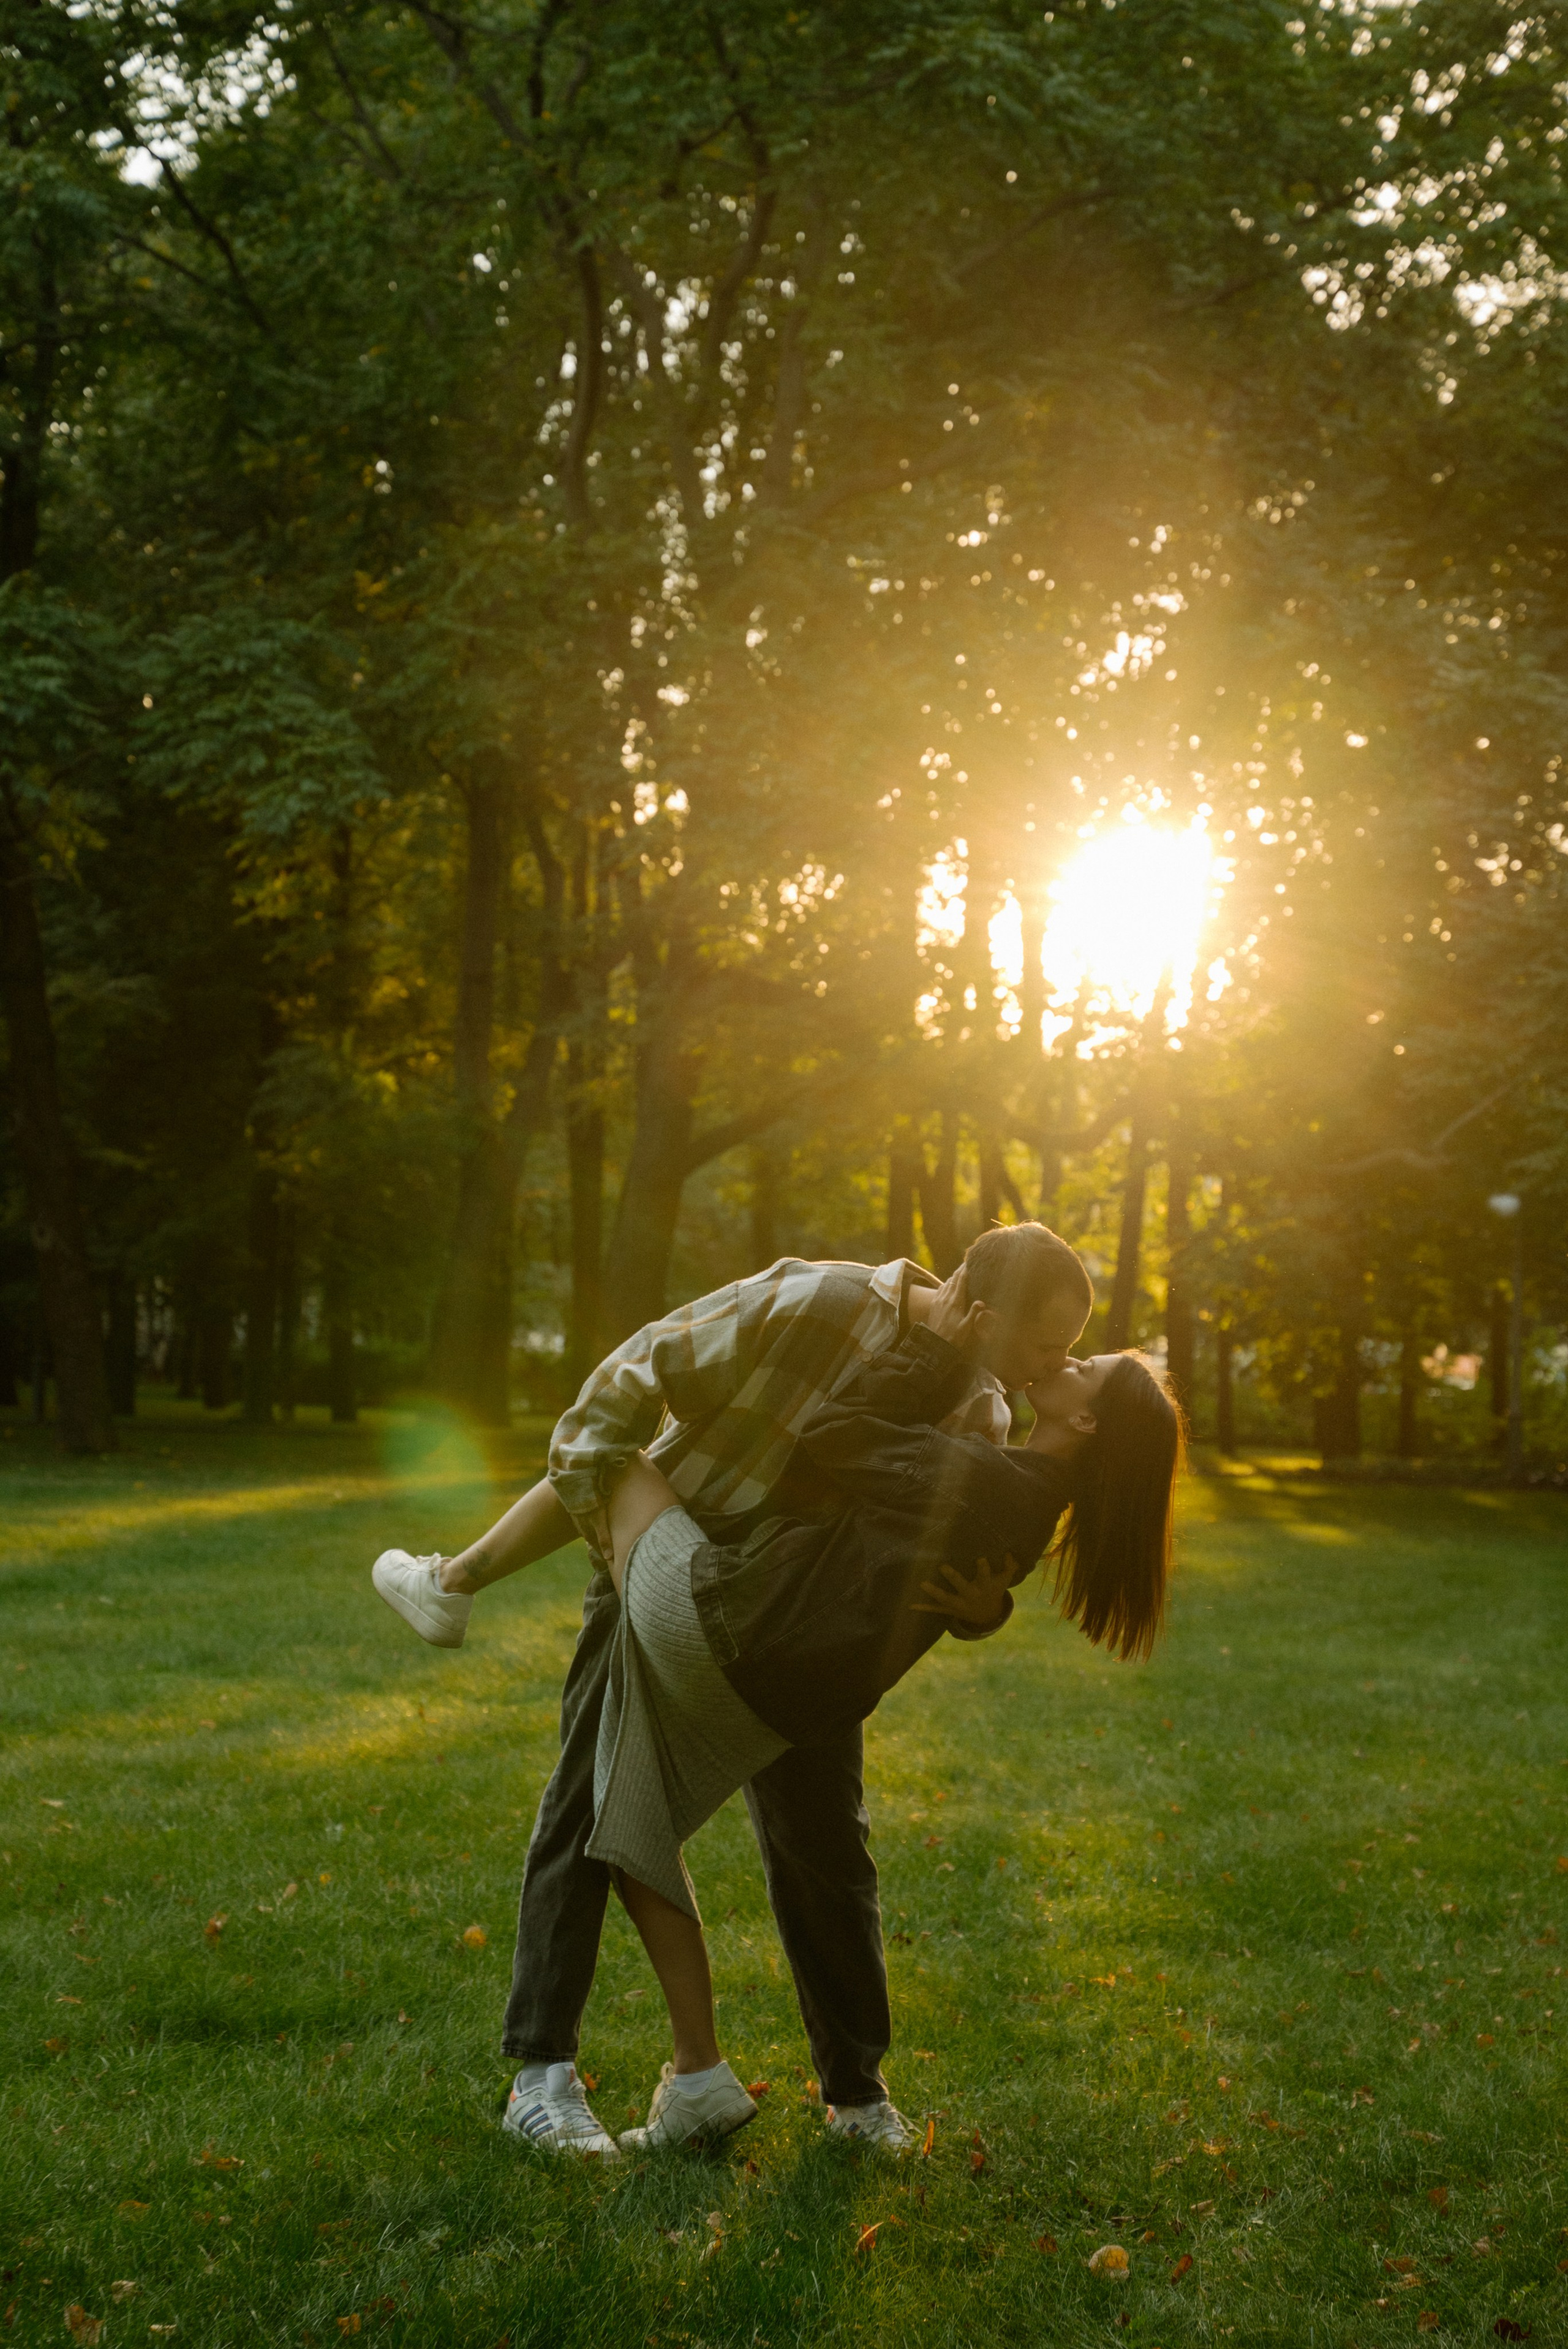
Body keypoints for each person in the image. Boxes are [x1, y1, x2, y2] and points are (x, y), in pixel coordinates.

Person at [372, 1223, 1094, 2159]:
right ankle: (541, 2077)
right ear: (983, 1313)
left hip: (796, 1628)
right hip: (666, 1574)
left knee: (824, 1844)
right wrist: (597, 1486)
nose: (1059, 1362)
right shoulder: (826, 1302)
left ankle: (856, 2098)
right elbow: (652, 1359)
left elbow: (935, 1560)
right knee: (587, 1805)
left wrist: (982, 1607)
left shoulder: (982, 1414)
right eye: (1049, 1341)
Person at [584, 1294, 1180, 2157]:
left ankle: (466, 1576)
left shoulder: (992, 1480)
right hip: (809, 1684)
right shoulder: (1028, 1501)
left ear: (1086, 1419)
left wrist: (941, 1345)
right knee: (728, 1834)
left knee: (614, 1460)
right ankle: (776, 2091)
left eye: (1087, 1368)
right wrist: (991, 1608)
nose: (1068, 1359)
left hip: (739, 1627)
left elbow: (838, 1431)